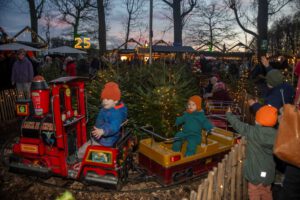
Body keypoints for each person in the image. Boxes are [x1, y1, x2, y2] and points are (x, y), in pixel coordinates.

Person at [226, 105, 278, 200]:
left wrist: (229, 115)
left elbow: (238, 125)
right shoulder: (277, 134)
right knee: (267, 192)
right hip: (269, 173)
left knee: (254, 193)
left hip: (254, 173)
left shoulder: (252, 132)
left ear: (258, 120)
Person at [72, 82, 127, 164]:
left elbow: (113, 126)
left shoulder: (114, 113)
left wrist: (103, 131)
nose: (105, 101)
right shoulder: (113, 107)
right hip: (107, 138)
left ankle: (76, 157)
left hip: (104, 140)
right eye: (104, 99)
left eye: (108, 99)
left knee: (84, 148)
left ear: (116, 101)